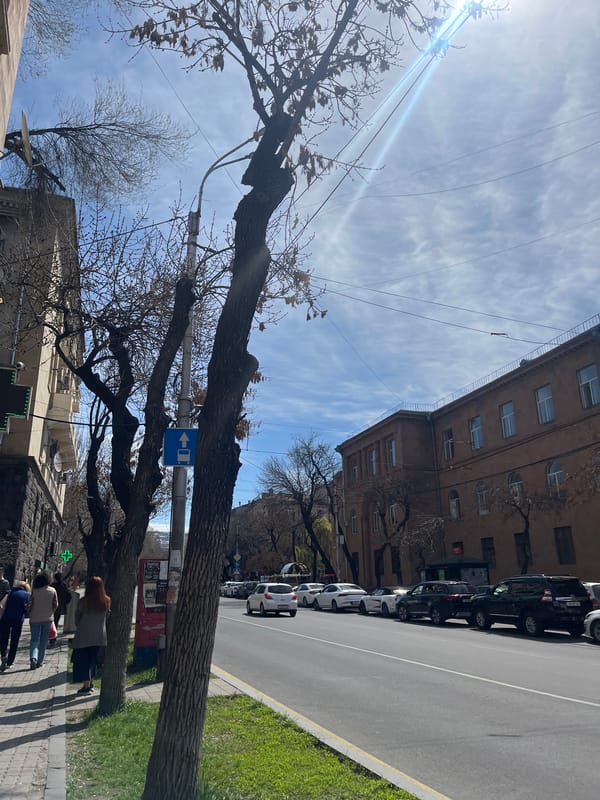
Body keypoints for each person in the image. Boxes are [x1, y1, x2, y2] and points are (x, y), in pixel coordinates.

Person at [71, 576, 111, 695]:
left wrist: (79, 625)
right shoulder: (107, 600)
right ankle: (91, 683)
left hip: (84, 634)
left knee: (84, 660)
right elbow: (107, 616)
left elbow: (77, 617)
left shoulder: (84, 601)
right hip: (99, 634)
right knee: (93, 659)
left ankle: (86, 685)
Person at [29, 571, 58, 669]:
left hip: (34, 618)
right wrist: (51, 611)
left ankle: (33, 657)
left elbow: (30, 604)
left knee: (34, 640)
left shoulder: (35, 591)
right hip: (47, 618)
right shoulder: (52, 590)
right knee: (43, 640)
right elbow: (55, 605)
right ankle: (40, 661)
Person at [0, 581, 31, 671]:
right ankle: (10, 661)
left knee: (4, 639)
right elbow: (27, 608)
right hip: (18, 619)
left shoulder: (9, 592)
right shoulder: (27, 595)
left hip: (5, 618)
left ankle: (3, 655)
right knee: (14, 640)